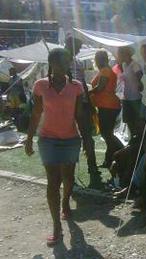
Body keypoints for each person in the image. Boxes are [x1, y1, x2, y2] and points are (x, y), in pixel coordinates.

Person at [25, 48, 86, 246]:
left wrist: (87, 139)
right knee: (53, 180)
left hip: (70, 138)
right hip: (48, 139)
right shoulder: (40, 85)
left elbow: (79, 115)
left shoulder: (76, 87)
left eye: (66, 62)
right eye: (59, 62)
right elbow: (36, 113)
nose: (63, 66)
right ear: (51, 64)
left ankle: (66, 202)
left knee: (68, 177)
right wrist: (28, 138)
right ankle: (56, 226)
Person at [65, 36, 98, 174]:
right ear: (69, 45)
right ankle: (67, 165)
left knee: (87, 135)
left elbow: (83, 84)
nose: (78, 51)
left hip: (82, 103)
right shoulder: (60, 61)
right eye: (77, 48)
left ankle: (92, 165)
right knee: (67, 136)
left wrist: (90, 103)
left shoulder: (78, 62)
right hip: (67, 104)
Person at [89, 50, 124, 169]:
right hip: (108, 106)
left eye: (97, 58)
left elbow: (100, 88)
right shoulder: (106, 70)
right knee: (107, 134)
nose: (96, 61)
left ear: (100, 59)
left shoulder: (105, 70)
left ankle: (122, 152)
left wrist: (87, 92)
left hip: (108, 106)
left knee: (107, 134)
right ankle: (109, 160)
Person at [116, 46, 143, 138]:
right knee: (128, 120)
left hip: (135, 97)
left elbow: (141, 77)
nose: (118, 56)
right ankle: (133, 139)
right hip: (126, 97)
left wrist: (140, 84)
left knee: (137, 120)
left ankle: (139, 140)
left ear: (125, 54)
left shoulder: (134, 65)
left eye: (119, 54)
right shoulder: (124, 65)